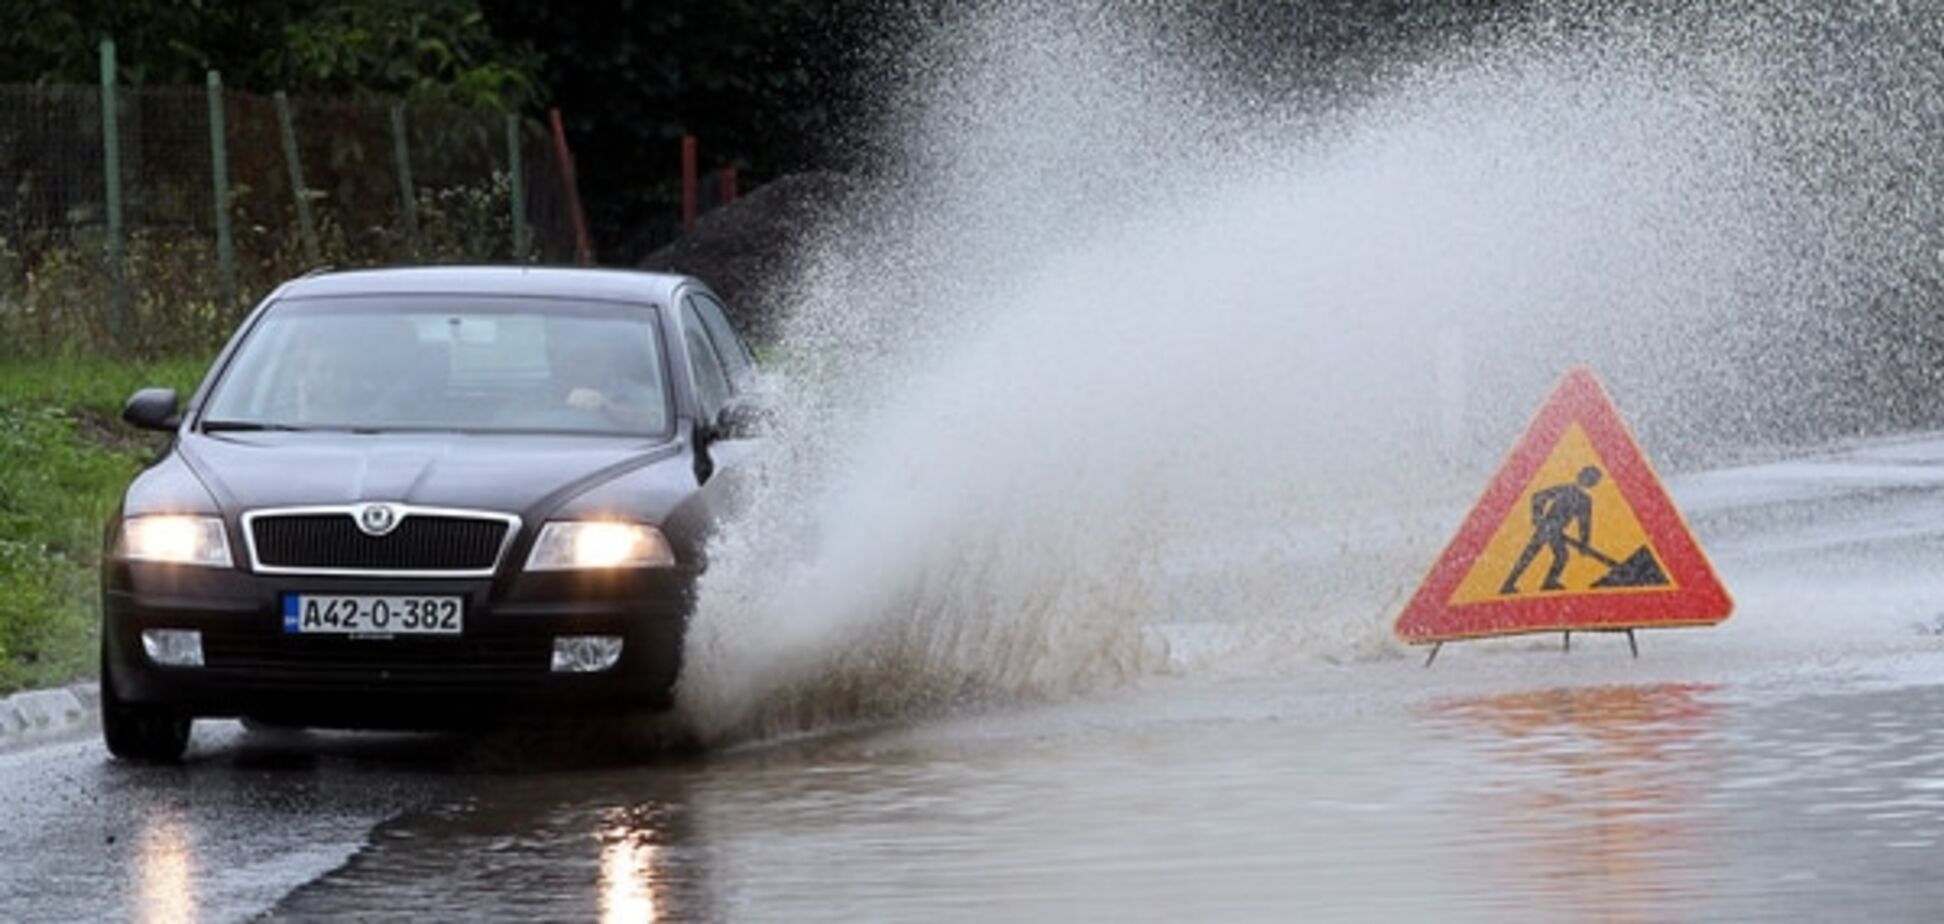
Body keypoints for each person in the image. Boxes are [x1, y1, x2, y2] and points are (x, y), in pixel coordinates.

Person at [1499, 465, 1601, 594]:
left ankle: (1547, 582)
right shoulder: (1568, 490)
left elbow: (1584, 523)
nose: (1589, 481)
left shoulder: (1582, 498)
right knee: (1533, 555)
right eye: (1588, 477)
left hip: (1555, 530)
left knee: (1557, 556)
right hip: (1548, 527)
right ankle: (1511, 585)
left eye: (1592, 479)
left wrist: (1584, 543)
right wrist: (1537, 518)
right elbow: (1538, 496)